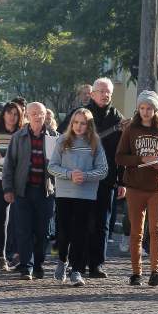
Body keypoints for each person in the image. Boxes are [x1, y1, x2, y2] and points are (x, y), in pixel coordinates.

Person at [60, 77, 126, 279]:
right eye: (102, 91)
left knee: (102, 224)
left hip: (106, 179)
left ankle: (96, 264)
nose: (105, 95)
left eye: (108, 92)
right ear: (92, 93)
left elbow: (122, 152)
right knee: (79, 223)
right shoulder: (79, 115)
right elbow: (62, 138)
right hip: (80, 179)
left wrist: (122, 181)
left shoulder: (118, 118)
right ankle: (76, 264)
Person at [115, 90, 158, 286]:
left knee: (157, 230)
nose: (145, 111)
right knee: (136, 231)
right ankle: (136, 272)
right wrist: (142, 158)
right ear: (138, 109)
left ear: (155, 109)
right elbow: (119, 157)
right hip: (134, 186)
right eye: (142, 108)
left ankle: (155, 271)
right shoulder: (131, 130)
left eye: (149, 108)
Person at [48, 108, 108, 287]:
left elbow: (103, 170)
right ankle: (61, 259)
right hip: (64, 193)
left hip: (86, 195)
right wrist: (68, 174)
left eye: (83, 123)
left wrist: (86, 175)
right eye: (76, 122)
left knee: (81, 234)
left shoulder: (95, 142)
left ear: (89, 125)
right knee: (63, 232)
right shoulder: (62, 140)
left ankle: (77, 270)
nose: (79, 126)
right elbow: (52, 167)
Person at [3, 102, 57, 280]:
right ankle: (27, 266)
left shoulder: (53, 137)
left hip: (45, 191)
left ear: (45, 115)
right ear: (27, 115)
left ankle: (39, 263)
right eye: (33, 113)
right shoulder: (18, 137)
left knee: (43, 232)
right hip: (23, 191)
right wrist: (8, 188)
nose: (37, 116)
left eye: (40, 113)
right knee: (23, 230)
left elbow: (59, 164)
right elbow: (9, 165)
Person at [0, 102, 24, 271]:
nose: (12, 116)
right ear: (3, 115)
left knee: (19, 219)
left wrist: (2, 158)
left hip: (19, 182)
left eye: (16, 114)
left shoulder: (23, 134)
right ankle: (1, 256)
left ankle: (18, 254)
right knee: (1, 219)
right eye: (9, 113)